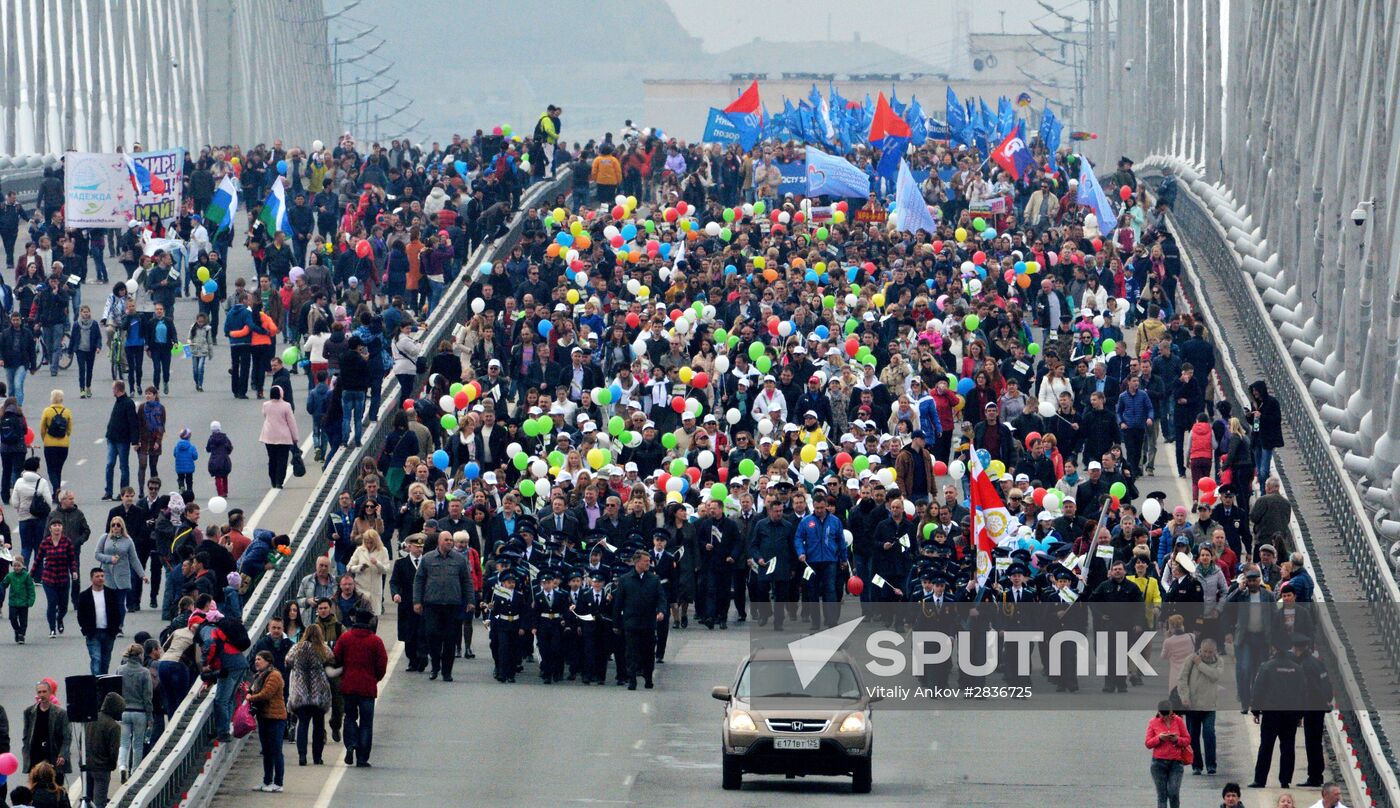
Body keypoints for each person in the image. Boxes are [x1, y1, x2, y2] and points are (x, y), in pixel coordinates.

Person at [412, 531, 474, 682]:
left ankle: (447, 671)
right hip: (432, 605)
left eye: (451, 540)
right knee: (433, 636)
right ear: (439, 541)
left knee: (450, 639)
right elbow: (419, 580)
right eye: (446, 540)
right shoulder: (428, 558)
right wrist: (417, 601)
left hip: (452, 605)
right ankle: (435, 667)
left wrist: (470, 601)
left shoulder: (459, 559)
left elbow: (467, 581)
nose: (449, 542)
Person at [333, 609, 387, 767]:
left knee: (349, 717)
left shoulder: (345, 638)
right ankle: (362, 757)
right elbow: (382, 665)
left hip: (349, 685)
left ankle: (351, 744)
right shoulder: (376, 641)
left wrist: (344, 676)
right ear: (369, 622)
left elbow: (336, 658)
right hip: (367, 687)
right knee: (366, 723)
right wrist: (374, 678)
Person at [612, 549, 667, 690]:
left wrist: (661, 611)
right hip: (631, 623)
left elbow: (661, 598)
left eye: (649, 561)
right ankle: (632, 680)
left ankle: (648, 677)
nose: (648, 563)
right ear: (637, 562)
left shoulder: (654, 579)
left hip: (648, 622)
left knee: (648, 652)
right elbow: (618, 603)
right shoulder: (625, 579)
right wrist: (616, 623)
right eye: (645, 561)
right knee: (631, 652)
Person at [285, 623, 334, 767]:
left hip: (301, 692)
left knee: (303, 724)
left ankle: (302, 756)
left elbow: (288, 662)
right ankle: (317, 757)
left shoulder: (296, 648)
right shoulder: (323, 649)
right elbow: (331, 661)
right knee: (318, 725)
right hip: (319, 692)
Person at [1177, 637, 1222, 775]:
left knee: (1209, 735)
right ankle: (1196, 765)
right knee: (1193, 736)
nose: (1207, 654)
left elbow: (1215, 676)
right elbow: (1182, 679)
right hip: (1193, 705)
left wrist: (1200, 664)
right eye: (1205, 651)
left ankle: (1211, 764)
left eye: (1210, 652)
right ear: (1200, 650)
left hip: (1209, 706)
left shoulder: (1219, 661)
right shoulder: (1191, 659)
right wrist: (1184, 697)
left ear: (1215, 651)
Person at [244, 650, 287, 793]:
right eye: (256, 659)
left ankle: (278, 783)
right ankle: (267, 781)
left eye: (260, 659)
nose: (256, 661)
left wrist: (251, 697)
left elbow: (266, 694)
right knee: (267, 751)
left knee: (276, 751)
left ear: (268, 661)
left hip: (275, 718)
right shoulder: (260, 676)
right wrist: (249, 692)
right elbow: (253, 690)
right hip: (264, 717)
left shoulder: (274, 675)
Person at [30, 520, 76, 639]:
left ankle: (59, 619)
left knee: (63, 607)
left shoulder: (67, 542)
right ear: (50, 528)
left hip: (63, 578)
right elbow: (38, 560)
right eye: (54, 526)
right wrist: (30, 575)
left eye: (59, 526)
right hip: (49, 578)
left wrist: (74, 571)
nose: (57, 528)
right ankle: (52, 629)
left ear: (62, 528)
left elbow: (72, 559)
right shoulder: (45, 543)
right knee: (52, 603)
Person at [115, 642, 152, 783]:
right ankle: (135, 771)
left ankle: (122, 766)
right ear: (141, 655)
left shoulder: (120, 670)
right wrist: (150, 716)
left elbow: (116, 691)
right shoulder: (144, 672)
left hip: (124, 711)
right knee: (138, 744)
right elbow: (147, 696)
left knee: (124, 743)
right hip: (140, 712)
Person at [389, 532, 426, 671]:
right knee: (409, 633)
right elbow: (394, 582)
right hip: (406, 604)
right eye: (416, 546)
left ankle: (422, 656)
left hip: (424, 603)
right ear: (409, 547)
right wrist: (395, 594)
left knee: (422, 631)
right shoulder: (401, 564)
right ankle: (412, 660)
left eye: (421, 547)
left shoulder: (427, 562)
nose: (419, 549)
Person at [76, 568, 124, 675]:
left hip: (109, 633)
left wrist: (116, 629)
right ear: (91, 579)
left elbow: (117, 612)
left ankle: (103, 683)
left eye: (102, 576)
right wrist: (85, 629)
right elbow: (80, 615)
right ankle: (95, 683)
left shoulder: (111, 594)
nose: (100, 578)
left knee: (105, 662)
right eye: (97, 576)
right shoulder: (84, 595)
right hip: (93, 633)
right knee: (96, 659)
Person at [1145, 699, 1192, 808]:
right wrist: (1159, 738)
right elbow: (1148, 743)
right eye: (1163, 714)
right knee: (1162, 795)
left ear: (1171, 711)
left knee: (1173, 793)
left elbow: (1187, 739)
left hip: (1176, 762)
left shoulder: (1178, 721)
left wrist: (1176, 739)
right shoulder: (1153, 722)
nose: (1165, 717)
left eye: (1167, 714)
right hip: (1158, 762)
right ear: (1159, 712)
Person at [21, 681, 71, 784]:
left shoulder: (61, 714)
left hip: (53, 758)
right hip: (35, 760)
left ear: (50, 692)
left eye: (44, 692)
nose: (42, 695)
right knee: (35, 792)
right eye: (39, 692)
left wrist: (62, 755)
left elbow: (67, 737)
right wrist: (25, 753)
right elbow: (26, 736)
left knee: (56, 790)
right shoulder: (29, 712)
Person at [82, 690, 122, 807]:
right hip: (101, 769)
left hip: (86, 766)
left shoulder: (91, 718)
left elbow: (82, 741)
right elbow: (114, 751)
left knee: (87, 800)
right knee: (99, 802)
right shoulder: (113, 726)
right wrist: (112, 765)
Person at [102, 381, 140, 501]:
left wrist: (135, 441)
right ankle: (108, 491)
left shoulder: (128, 403)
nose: (112, 391)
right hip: (112, 439)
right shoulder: (118, 401)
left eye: (113, 389)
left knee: (123, 467)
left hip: (122, 440)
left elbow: (133, 423)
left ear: (118, 389)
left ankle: (123, 492)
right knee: (109, 465)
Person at [259, 385, 299, 489]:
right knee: (282, 459)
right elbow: (291, 422)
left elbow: (264, 415)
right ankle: (279, 481)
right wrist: (295, 437)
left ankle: (272, 479)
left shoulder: (266, 405)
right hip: (283, 437)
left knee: (272, 459)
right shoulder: (286, 406)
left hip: (269, 436)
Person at [346, 528, 390, 615]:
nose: (368, 544)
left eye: (371, 542)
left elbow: (386, 570)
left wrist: (377, 563)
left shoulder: (383, 550)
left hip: (375, 589)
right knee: (361, 614)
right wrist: (359, 568)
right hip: (361, 588)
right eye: (366, 542)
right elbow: (349, 567)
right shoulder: (359, 550)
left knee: (374, 616)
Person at [37, 390, 72, 493]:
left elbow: (42, 428)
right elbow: (69, 429)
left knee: (51, 469)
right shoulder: (67, 412)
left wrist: (45, 439)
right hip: (64, 445)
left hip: (50, 444)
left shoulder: (47, 411)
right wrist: (65, 437)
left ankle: (56, 489)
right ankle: (56, 492)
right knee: (58, 469)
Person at [6, 554, 35, 642]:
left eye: (18, 566)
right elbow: (3, 584)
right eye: (15, 565)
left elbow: (31, 589)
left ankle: (21, 635)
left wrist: (31, 600)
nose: (16, 568)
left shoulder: (26, 576)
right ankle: (17, 630)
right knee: (12, 618)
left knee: (23, 621)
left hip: (23, 602)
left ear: (23, 566)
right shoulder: (10, 576)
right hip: (13, 602)